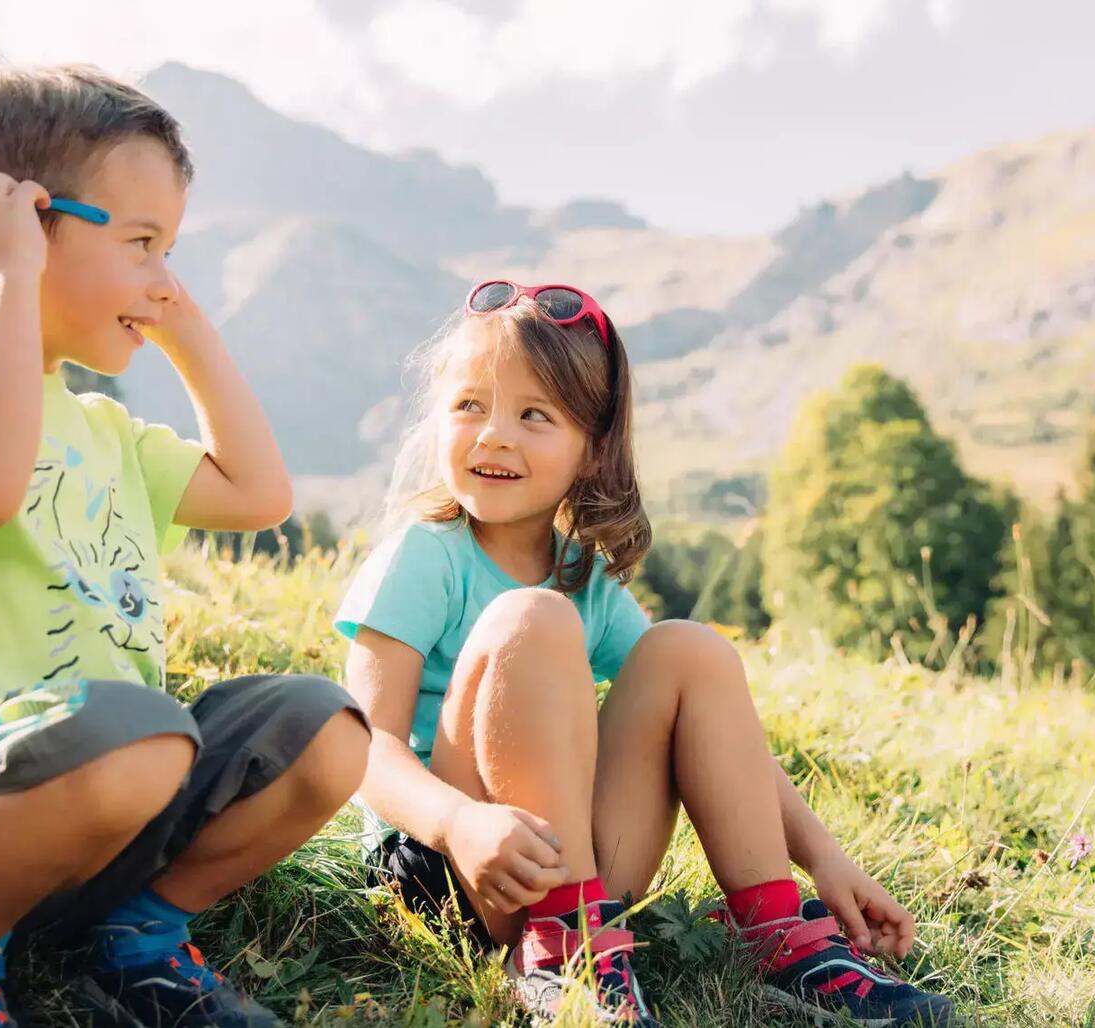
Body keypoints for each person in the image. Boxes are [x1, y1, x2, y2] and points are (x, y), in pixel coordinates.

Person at [0, 63, 369, 1028]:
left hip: (119, 796)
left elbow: (260, 494)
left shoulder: (106, 433)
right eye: (143, 243)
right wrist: (6, 281)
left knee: (322, 730)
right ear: (24, 227)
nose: (163, 278)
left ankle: (136, 940)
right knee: (136, 733)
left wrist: (193, 341)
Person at [334, 280, 955, 1025]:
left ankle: (776, 933)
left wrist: (825, 857)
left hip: (571, 864)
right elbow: (365, 749)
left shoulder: (584, 576)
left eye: (534, 415)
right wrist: (459, 825)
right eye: (470, 405)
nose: (494, 435)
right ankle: (563, 956)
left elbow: (720, 732)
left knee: (689, 650)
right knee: (531, 619)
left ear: (592, 452)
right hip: (453, 868)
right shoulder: (424, 557)